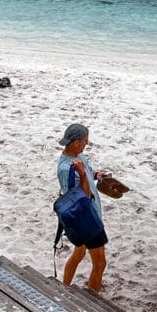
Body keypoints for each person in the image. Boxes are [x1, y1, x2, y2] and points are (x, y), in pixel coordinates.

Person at [57, 123, 108, 293]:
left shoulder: (79, 157)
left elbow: (88, 171)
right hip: (85, 220)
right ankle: (93, 299)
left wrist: (95, 175)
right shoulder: (66, 169)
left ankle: (64, 288)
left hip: (90, 216)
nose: (87, 143)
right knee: (100, 263)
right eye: (85, 141)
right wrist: (84, 175)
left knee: (79, 253)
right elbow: (81, 198)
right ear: (77, 142)